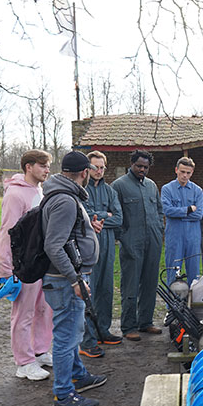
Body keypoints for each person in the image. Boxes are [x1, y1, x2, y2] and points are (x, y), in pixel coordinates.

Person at [42, 151, 107, 406]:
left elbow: (64, 234)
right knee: (66, 336)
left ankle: (79, 376)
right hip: (65, 280)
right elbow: (54, 246)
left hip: (66, 278)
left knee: (71, 332)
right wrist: (76, 279)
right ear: (84, 173)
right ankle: (64, 394)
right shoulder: (65, 200)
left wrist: (87, 227)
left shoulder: (62, 194)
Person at [0, 149, 53, 381]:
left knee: (43, 309)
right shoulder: (15, 195)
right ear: (28, 167)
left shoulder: (40, 191)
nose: (47, 169)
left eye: (48, 165)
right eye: (42, 165)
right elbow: (6, 232)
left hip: (40, 261)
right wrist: (6, 268)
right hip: (23, 264)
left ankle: (39, 351)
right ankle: (24, 362)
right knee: (23, 313)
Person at [111, 150, 164, 342]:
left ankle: (145, 322)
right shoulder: (119, 186)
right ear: (131, 164)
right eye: (139, 166)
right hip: (132, 243)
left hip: (153, 241)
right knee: (130, 285)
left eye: (145, 167)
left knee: (150, 283)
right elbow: (114, 215)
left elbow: (159, 210)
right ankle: (128, 326)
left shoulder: (151, 186)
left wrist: (159, 229)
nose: (142, 169)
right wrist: (123, 237)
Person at [79, 151, 123, 358]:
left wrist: (97, 218)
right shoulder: (81, 190)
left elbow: (119, 218)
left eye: (102, 167)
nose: (99, 171)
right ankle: (87, 339)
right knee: (90, 290)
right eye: (95, 167)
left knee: (106, 290)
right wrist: (104, 216)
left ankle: (103, 331)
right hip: (88, 245)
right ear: (87, 168)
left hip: (106, 244)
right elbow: (83, 215)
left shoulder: (110, 191)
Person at [160, 157, 203, 287]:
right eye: (182, 172)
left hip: (193, 237)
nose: (185, 175)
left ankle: (193, 304)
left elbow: (199, 214)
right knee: (173, 272)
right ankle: (172, 305)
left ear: (192, 173)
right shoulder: (167, 189)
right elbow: (167, 211)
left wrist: (178, 214)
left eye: (188, 173)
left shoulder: (197, 191)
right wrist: (188, 209)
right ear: (176, 170)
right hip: (174, 237)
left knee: (194, 274)